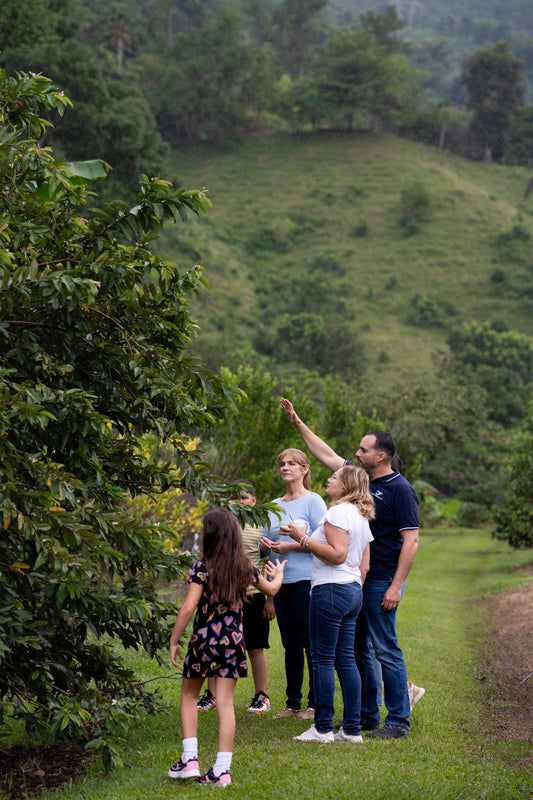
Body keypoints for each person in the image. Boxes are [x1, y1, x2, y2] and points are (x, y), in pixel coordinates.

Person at [280, 398, 420, 739]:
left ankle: (399, 720)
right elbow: (325, 454)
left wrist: (394, 586)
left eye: (363, 449)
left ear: (380, 456)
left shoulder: (400, 490)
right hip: (357, 580)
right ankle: (366, 716)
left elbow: (411, 542)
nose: (356, 454)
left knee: (385, 647)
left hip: (383, 578)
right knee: (357, 649)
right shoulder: (359, 480)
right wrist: (298, 422)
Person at [168, 508, 286, 786]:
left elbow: (188, 608)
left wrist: (174, 639)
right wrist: (279, 574)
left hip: (205, 641)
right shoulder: (244, 567)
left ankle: (190, 759)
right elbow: (271, 590)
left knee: (188, 696)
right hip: (233, 642)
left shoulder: (202, 567)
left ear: (209, 535)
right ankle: (222, 770)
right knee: (226, 703)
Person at [284, 465, 374, 743]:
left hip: (331, 590)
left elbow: (337, 555)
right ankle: (352, 729)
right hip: (351, 591)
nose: (328, 479)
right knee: (346, 659)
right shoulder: (361, 515)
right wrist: (352, 586)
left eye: (334, 477)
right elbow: (364, 563)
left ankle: (322, 728)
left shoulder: (337, 512)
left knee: (322, 659)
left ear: (345, 486)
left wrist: (302, 538)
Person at [260, 448, 327, 719]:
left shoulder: (314, 502)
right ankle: (292, 704)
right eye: (282, 464)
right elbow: (263, 549)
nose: (285, 467)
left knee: (310, 643)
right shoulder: (273, 505)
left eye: (291, 464)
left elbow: (323, 544)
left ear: (304, 469)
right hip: (279, 584)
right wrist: (265, 548)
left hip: (306, 581)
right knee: (290, 645)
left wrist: (291, 545)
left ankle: (314, 705)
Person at [196, 481, 273, 715]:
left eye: (243, 498)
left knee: (255, 647)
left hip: (252, 597)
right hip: (224, 599)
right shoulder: (223, 527)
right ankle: (211, 695)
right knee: (215, 645)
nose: (239, 502)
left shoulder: (261, 527)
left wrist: (270, 600)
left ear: (253, 501)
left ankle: (261, 695)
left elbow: (268, 565)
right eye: (233, 498)